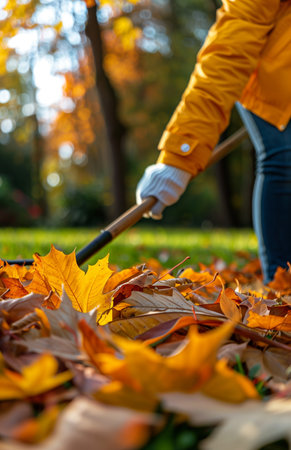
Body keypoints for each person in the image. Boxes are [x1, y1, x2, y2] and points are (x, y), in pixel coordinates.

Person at [136, 0, 291, 284]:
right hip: (270, 72)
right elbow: (232, 42)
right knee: (283, 159)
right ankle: (281, 285)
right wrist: (180, 155)